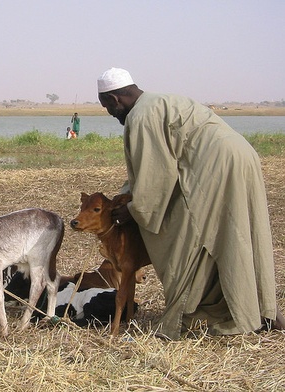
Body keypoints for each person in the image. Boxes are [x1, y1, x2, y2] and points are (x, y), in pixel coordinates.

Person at [97, 67, 285, 339]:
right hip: (240, 156)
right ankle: (259, 310)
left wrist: (133, 209)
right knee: (237, 236)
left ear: (115, 99)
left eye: (107, 108)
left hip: (216, 166)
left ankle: (189, 315)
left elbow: (155, 173)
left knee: (187, 238)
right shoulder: (161, 100)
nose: (109, 113)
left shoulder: (141, 115)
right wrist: (126, 194)